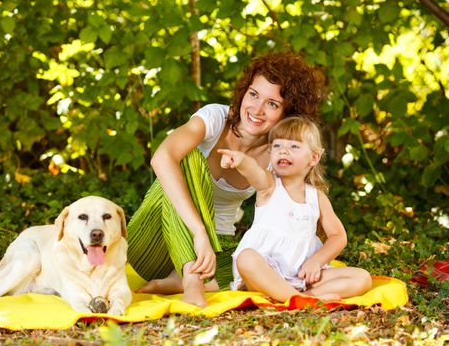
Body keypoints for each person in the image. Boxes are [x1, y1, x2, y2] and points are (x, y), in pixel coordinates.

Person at [127, 52, 324, 307]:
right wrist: (199, 232)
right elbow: (161, 158)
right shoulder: (215, 119)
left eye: (272, 104)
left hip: (214, 253)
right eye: (253, 95)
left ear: (288, 112)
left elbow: (294, 209)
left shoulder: (279, 154)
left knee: (247, 264)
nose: (257, 109)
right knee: (189, 158)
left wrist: (312, 259)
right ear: (244, 92)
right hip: (154, 243)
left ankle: (177, 279)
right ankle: (191, 281)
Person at [219, 117, 372, 302]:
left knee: (362, 278)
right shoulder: (269, 186)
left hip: (302, 275)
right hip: (266, 274)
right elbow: (254, 171)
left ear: (314, 157)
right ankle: (297, 298)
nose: (283, 150)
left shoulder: (316, 197)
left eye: (294, 146)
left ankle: (303, 297)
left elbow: (338, 236)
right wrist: (241, 160)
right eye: (277, 146)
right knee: (246, 258)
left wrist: (316, 261)